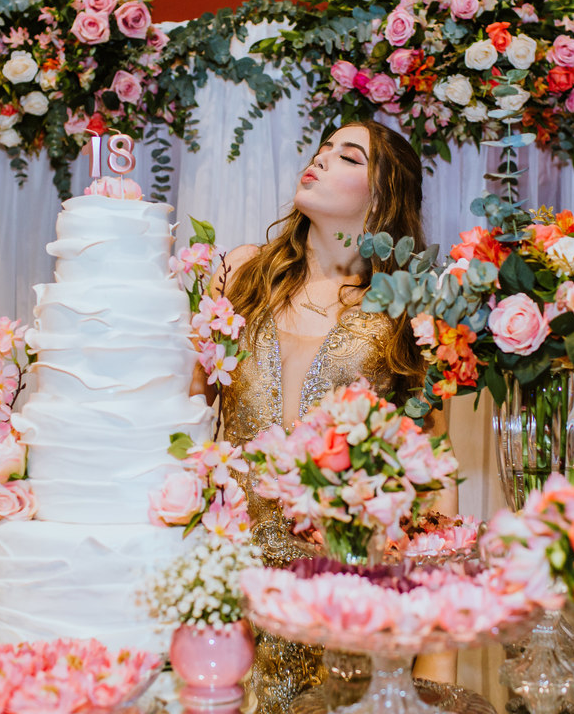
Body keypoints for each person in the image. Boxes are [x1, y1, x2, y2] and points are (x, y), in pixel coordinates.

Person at [191, 120, 457, 714]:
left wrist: (438, 666)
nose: (322, 158)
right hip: (228, 575)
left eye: (349, 156)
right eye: (323, 148)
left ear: (383, 197)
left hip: (344, 592)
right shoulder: (243, 274)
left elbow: (435, 472)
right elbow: (188, 412)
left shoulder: (408, 310)